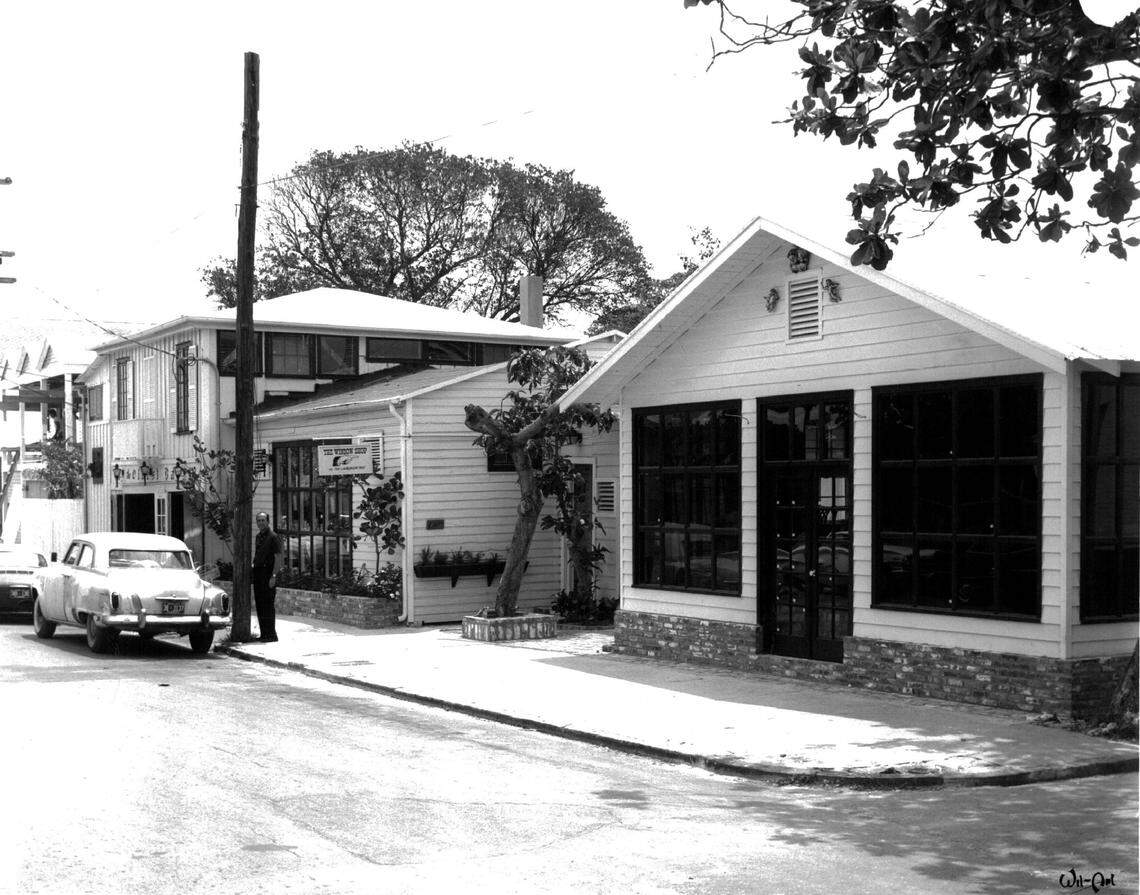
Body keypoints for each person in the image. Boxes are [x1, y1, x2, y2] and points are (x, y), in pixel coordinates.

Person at [252, 511, 281, 643]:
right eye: (259, 520)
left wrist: (274, 576)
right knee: (260, 604)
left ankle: (271, 635)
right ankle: (264, 634)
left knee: (268, 605)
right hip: (259, 574)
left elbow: (278, 558)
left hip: (268, 574)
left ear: (268, 521)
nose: (261, 523)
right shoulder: (258, 537)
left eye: (263, 520)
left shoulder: (273, 537)